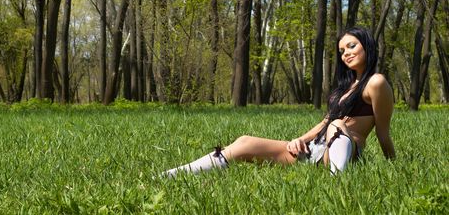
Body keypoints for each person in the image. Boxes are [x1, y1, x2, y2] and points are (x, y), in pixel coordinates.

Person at [163, 26, 395, 177]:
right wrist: (299, 140)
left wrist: (393, 167)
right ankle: (175, 174)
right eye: (342, 50)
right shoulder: (345, 87)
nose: (346, 53)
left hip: (346, 154)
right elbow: (325, 121)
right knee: (244, 142)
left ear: (367, 45)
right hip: (316, 148)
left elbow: (383, 133)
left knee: (337, 126)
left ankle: (337, 183)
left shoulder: (376, 82)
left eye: (352, 46)